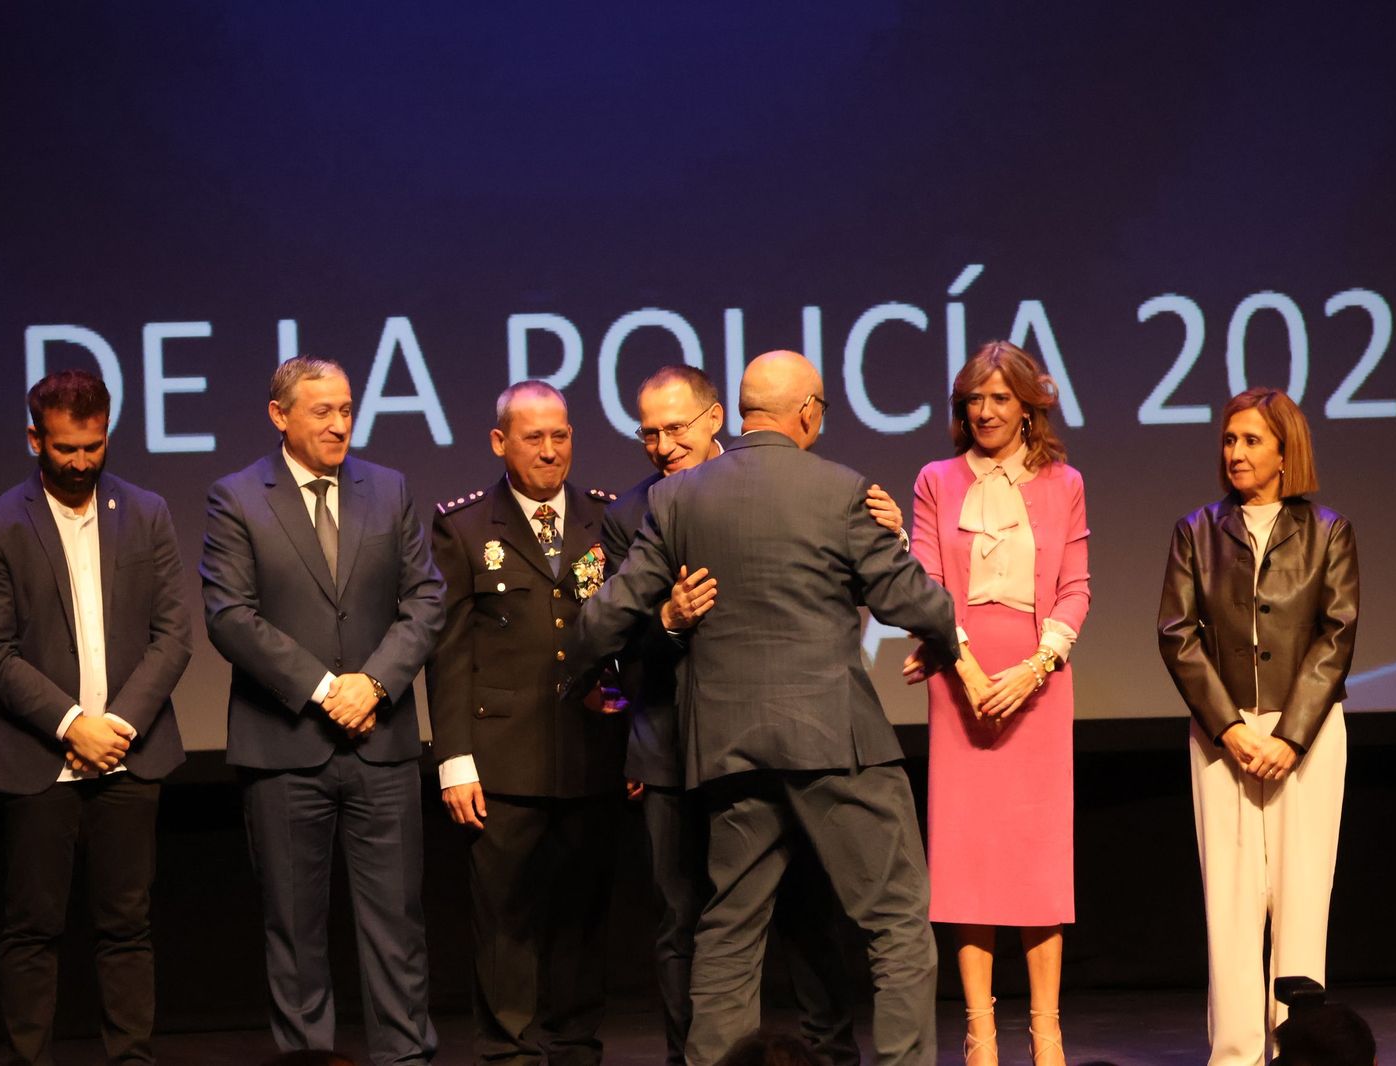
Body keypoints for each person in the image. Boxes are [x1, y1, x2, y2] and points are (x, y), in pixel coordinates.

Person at [569, 350, 984, 1066]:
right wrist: (938, 624)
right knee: (895, 922)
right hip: (835, 744)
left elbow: (597, 626)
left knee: (728, 931)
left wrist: (661, 620)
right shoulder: (841, 491)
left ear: (740, 413)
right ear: (809, 413)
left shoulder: (675, 501)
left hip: (729, 752)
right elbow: (915, 604)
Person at [201, 356, 444, 1065]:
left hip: (382, 744)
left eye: (346, 409)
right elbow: (229, 615)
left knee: (398, 926)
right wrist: (325, 689)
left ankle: (405, 1058)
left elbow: (425, 599)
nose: (340, 424)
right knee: (295, 932)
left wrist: (374, 683)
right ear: (279, 416)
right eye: (322, 412)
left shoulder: (388, 488)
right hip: (284, 748)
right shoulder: (236, 497)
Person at [0, 369, 191, 1065]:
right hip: (38, 760)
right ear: (35, 438)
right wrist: (73, 724)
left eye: (93, 446)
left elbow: (173, 636)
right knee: (32, 928)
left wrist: (114, 727)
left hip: (129, 756)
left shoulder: (147, 512)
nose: (80, 462)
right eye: (65, 448)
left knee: (127, 926)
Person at [427, 380, 630, 1064]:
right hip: (501, 761)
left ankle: (575, 1048)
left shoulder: (608, 519)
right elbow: (448, 652)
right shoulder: (463, 527)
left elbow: (627, 636)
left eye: (560, 436)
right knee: (504, 923)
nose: (549, 451)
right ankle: (507, 1054)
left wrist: (633, 733)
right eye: (534, 437)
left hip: (592, 754)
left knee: (583, 918)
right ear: (500, 442)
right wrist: (454, 760)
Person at [1157, 386, 1359, 1066]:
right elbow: (1178, 634)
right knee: (1232, 900)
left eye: (1250, 440)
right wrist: (1229, 729)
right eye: (1229, 439)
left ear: (1284, 450)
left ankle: (1301, 1051)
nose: (1235, 453)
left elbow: (1336, 635)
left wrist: (1290, 736)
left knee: (1301, 896)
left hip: (1308, 736)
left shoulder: (1329, 531)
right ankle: (1237, 1053)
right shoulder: (1196, 531)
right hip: (1224, 737)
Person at [905, 341, 1090, 1066]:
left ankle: (1047, 1032)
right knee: (968, 861)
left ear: (1027, 407)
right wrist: (967, 669)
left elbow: (1075, 586)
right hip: (962, 681)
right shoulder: (936, 479)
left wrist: (1036, 667)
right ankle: (979, 1034)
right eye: (974, 400)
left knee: (1038, 861)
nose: (985, 411)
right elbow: (925, 581)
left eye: (1000, 398)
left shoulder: (1065, 483)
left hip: (1038, 682)